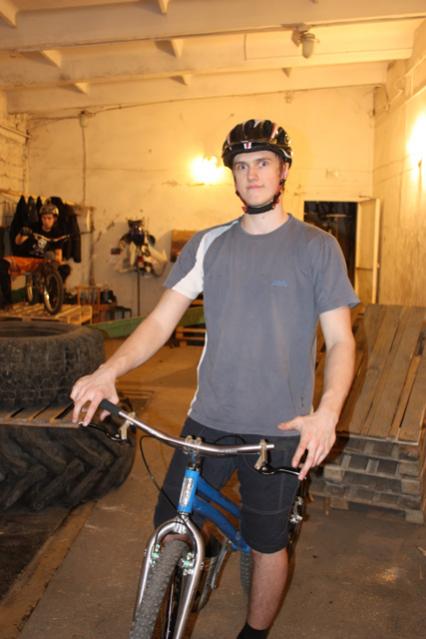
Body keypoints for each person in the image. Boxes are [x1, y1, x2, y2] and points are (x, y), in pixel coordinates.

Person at [71, 119, 359, 639]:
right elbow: (161, 321)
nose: (252, 174)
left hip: (281, 429)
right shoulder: (209, 244)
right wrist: (107, 370)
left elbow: (340, 341)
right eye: (241, 165)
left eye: (263, 163)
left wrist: (328, 413)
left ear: (284, 171)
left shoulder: (317, 247)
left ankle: (254, 634)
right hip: (208, 420)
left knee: (267, 543)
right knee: (168, 525)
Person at [0, 201, 71, 308]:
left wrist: (52, 257)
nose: (46, 221)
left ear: (54, 219)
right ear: (41, 218)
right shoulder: (34, 227)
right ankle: (7, 301)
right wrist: (22, 233)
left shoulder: (57, 233)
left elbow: (59, 257)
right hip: (27, 260)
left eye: (49, 218)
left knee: (65, 269)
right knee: (2, 264)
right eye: (44, 218)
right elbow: (18, 242)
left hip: (44, 262)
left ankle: (53, 296)